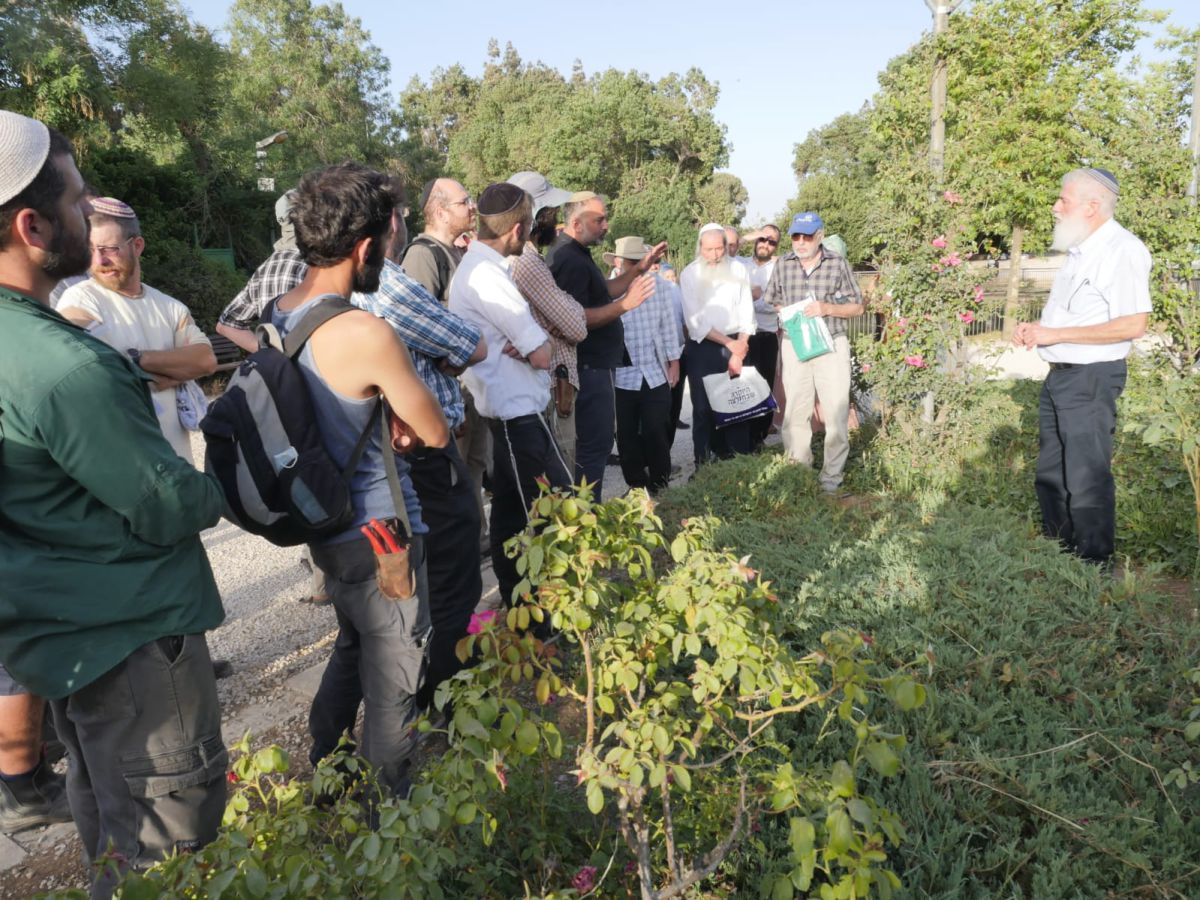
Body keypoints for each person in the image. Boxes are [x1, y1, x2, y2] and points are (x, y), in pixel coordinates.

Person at [0, 110, 227, 896]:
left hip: (61, 631)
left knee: (105, 814)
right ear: (33, 225)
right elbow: (166, 502)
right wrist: (214, 484)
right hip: (129, 638)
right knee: (169, 847)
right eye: (76, 199)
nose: (88, 214)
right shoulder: (65, 364)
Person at [270, 162, 449, 796]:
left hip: (326, 523)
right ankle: (389, 817)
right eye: (392, 233)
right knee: (396, 670)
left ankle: (326, 763)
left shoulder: (279, 312)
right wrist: (396, 414)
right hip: (383, 537)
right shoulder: (363, 329)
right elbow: (433, 430)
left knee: (352, 643)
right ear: (367, 245)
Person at [351, 197, 488, 713]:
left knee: (392, 588)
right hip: (420, 450)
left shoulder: (316, 284)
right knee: (453, 573)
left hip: (369, 458)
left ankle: (349, 734)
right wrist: (439, 362)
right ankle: (449, 696)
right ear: (390, 223)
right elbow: (471, 345)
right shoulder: (384, 280)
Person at [1012, 168, 1151, 566]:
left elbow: (1132, 325)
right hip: (1062, 376)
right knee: (1052, 469)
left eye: (1063, 200)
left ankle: (1093, 563)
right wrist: (1038, 331)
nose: (1056, 207)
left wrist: (1055, 335)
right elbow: (1074, 317)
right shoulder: (1080, 251)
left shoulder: (1122, 251)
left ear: (1092, 206)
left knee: (1086, 474)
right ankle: (1058, 552)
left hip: (1091, 378)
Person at [449, 182, 572, 607]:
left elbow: (535, 346)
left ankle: (524, 602)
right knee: (532, 516)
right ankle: (531, 611)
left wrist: (536, 342)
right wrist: (539, 342)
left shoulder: (482, 268)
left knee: (512, 511)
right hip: (517, 414)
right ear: (517, 230)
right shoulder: (486, 275)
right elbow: (540, 353)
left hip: (512, 411)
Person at [56, 197, 217, 463]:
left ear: (138, 245)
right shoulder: (80, 301)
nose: (99, 260)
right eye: (91, 249)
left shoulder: (171, 308)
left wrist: (138, 360)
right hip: (122, 469)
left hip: (178, 463)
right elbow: (90, 373)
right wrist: (171, 371)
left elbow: (205, 360)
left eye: (110, 249)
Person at [546, 191, 663, 495]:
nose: (606, 225)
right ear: (576, 222)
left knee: (594, 447)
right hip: (587, 367)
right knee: (592, 448)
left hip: (596, 366)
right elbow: (577, 318)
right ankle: (587, 522)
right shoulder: (568, 259)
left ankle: (587, 518)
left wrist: (639, 269)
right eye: (599, 219)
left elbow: (604, 291)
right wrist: (626, 305)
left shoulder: (577, 252)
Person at [401, 178, 489, 553]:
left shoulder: (456, 252)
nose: (472, 207)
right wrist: (452, 367)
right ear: (439, 210)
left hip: (471, 382)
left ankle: (476, 541)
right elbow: (416, 329)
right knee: (456, 474)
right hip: (452, 387)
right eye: (464, 201)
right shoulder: (423, 255)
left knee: (476, 466)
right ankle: (460, 549)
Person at [763, 212, 863, 493]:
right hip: (796, 345)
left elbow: (858, 307)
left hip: (831, 344)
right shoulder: (783, 265)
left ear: (820, 236)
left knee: (835, 413)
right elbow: (771, 300)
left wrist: (827, 308)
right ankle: (799, 476)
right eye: (796, 236)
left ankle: (831, 480)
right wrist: (787, 314)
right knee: (795, 411)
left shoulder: (837, 264)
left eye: (807, 236)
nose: (801, 241)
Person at [507, 171, 588, 473]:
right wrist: (570, 312)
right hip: (556, 383)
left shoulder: (519, 260)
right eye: (551, 213)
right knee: (562, 473)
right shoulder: (528, 262)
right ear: (535, 216)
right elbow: (577, 327)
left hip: (547, 382)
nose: (556, 221)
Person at [608, 237, 683, 493]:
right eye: (631, 262)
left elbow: (668, 326)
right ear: (619, 262)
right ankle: (636, 485)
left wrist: (674, 363)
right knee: (626, 434)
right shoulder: (608, 290)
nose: (635, 267)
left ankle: (660, 482)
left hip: (654, 370)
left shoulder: (660, 286)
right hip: (621, 374)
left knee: (655, 429)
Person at [679, 223, 756, 465]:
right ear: (700, 247)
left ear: (726, 246)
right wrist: (729, 344)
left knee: (737, 405)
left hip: (737, 343)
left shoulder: (739, 269)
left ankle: (738, 463)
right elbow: (694, 322)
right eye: (708, 249)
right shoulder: (689, 274)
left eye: (719, 249)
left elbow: (747, 311)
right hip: (704, 347)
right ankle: (703, 464)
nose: (714, 255)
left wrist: (740, 346)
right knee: (703, 409)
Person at [745, 224, 781, 447]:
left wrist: (749, 299)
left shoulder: (779, 269)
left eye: (772, 241)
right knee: (742, 386)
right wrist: (748, 236)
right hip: (743, 335)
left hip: (766, 335)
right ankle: (743, 437)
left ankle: (759, 438)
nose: (766, 244)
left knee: (764, 386)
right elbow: (728, 243)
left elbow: (776, 304)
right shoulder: (739, 264)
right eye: (762, 239)